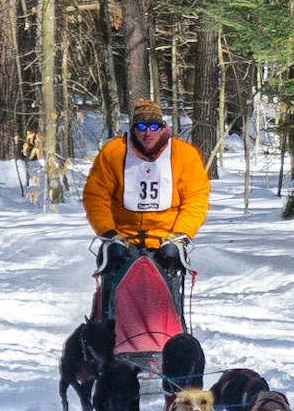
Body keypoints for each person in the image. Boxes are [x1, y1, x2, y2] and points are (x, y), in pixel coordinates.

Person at [83, 99, 211, 316]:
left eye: (153, 127)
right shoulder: (114, 152)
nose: (147, 133)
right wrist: (110, 233)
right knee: (112, 304)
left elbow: (196, 199)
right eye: (141, 127)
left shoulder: (184, 155)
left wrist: (179, 236)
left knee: (169, 306)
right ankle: (106, 334)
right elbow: (96, 196)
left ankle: (173, 337)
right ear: (133, 129)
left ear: (163, 128)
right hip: (122, 240)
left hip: (166, 241)